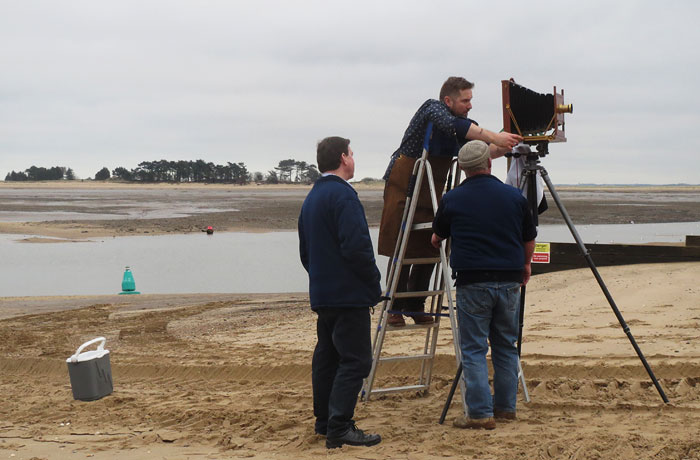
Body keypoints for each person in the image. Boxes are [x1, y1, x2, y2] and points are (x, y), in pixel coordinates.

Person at [378, 77, 522, 327]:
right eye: (465, 100)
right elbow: (456, 125)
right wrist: (494, 137)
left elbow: (483, 150)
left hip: (432, 189)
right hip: (404, 186)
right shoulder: (432, 108)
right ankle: (394, 306)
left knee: (432, 244)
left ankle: (415, 305)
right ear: (448, 100)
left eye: (470, 100)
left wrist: (509, 144)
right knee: (401, 245)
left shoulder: (464, 129)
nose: (469, 106)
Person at [431, 140, 536, 429]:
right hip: (509, 280)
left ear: (463, 169)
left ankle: (479, 413)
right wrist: (526, 265)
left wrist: (443, 237)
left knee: (474, 348)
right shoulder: (514, 197)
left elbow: (437, 236)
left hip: (473, 281)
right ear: (489, 164)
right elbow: (529, 239)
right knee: (505, 345)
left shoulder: (453, 199)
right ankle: (505, 408)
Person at [298, 136, 382, 449]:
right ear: (344, 158)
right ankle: (339, 426)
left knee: (329, 357)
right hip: (347, 294)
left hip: (324, 292)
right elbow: (358, 247)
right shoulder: (343, 196)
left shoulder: (313, 197)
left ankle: (325, 421)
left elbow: (306, 252)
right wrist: (373, 283)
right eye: (352, 153)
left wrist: (322, 278)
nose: (353, 158)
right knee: (357, 360)